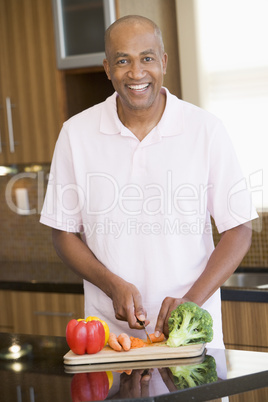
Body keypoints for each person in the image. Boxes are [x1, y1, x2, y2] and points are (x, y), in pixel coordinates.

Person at [40, 15, 258, 348]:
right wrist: (111, 285)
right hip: (111, 338)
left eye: (147, 58)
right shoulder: (76, 134)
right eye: (123, 60)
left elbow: (239, 228)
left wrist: (192, 301)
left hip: (191, 336)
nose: (136, 72)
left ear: (164, 62)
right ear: (107, 68)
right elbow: (63, 232)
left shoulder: (206, 130)